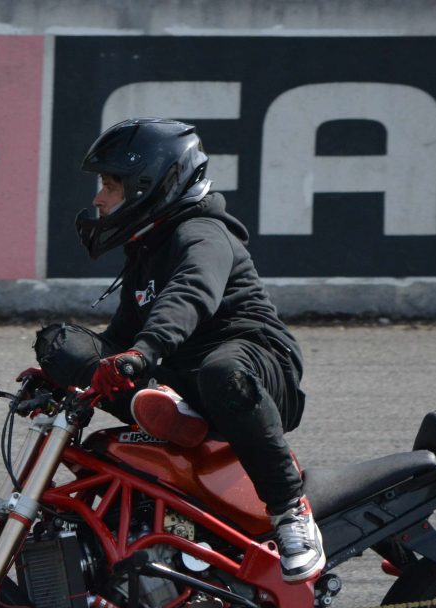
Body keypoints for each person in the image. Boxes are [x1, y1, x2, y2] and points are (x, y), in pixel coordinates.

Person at [35, 118, 324, 583]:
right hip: (185, 373)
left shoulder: (204, 233)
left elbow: (190, 295)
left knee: (221, 370)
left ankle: (291, 510)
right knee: (63, 344)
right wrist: (60, 370)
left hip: (257, 367)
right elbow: (119, 341)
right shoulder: (145, 253)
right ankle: (178, 413)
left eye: (110, 184)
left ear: (149, 185)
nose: (98, 198)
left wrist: (143, 353)